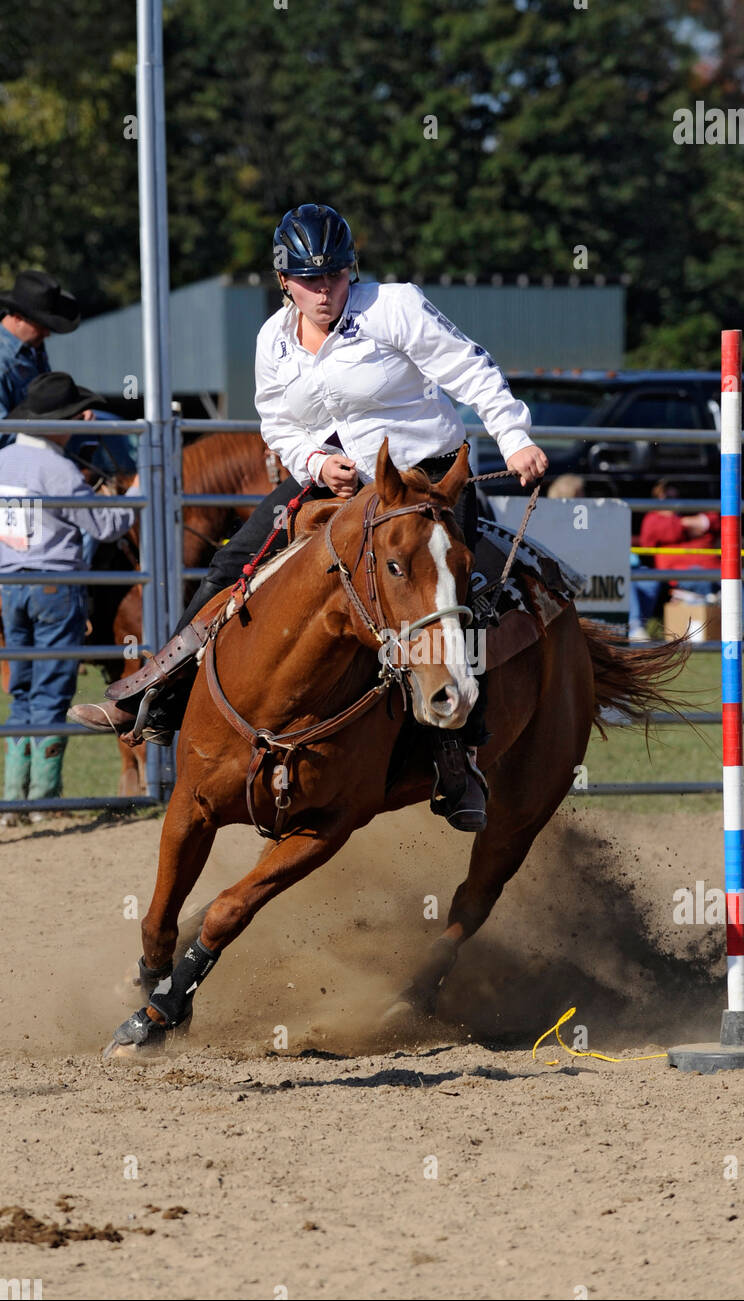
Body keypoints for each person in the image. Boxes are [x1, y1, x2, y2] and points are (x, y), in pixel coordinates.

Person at [71, 203, 548, 831]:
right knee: (232, 563)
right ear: (285, 282)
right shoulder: (274, 340)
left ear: (352, 271)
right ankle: (155, 696)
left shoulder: (394, 306)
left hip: (425, 480)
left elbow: (470, 368)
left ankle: (457, 760)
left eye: (336, 276)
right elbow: (279, 424)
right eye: (310, 280)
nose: (325, 292)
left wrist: (514, 438)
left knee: (460, 601)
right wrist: (317, 463)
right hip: (339, 482)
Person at [0, 373, 139, 825]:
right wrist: (135, 495)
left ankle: (13, 799)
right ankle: (43, 797)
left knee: (21, 687)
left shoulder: (4, 460)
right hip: (53, 587)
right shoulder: (58, 469)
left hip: (10, 587)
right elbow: (105, 527)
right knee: (52, 687)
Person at [628, 480, 721, 640]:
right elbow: (650, 536)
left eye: (674, 496)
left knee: (736, 581)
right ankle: (635, 628)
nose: (671, 502)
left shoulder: (689, 514)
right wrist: (685, 525)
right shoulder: (653, 519)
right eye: (665, 497)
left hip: (714, 569)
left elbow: (717, 522)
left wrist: (698, 523)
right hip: (682, 574)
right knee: (697, 577)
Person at [0, 271, 81, 448]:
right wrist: (50, 431)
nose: (47, 333)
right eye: (41, 325)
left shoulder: (32, 349)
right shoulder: (4, 361)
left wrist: (73, 412)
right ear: (18, 319)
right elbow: (2, 433)